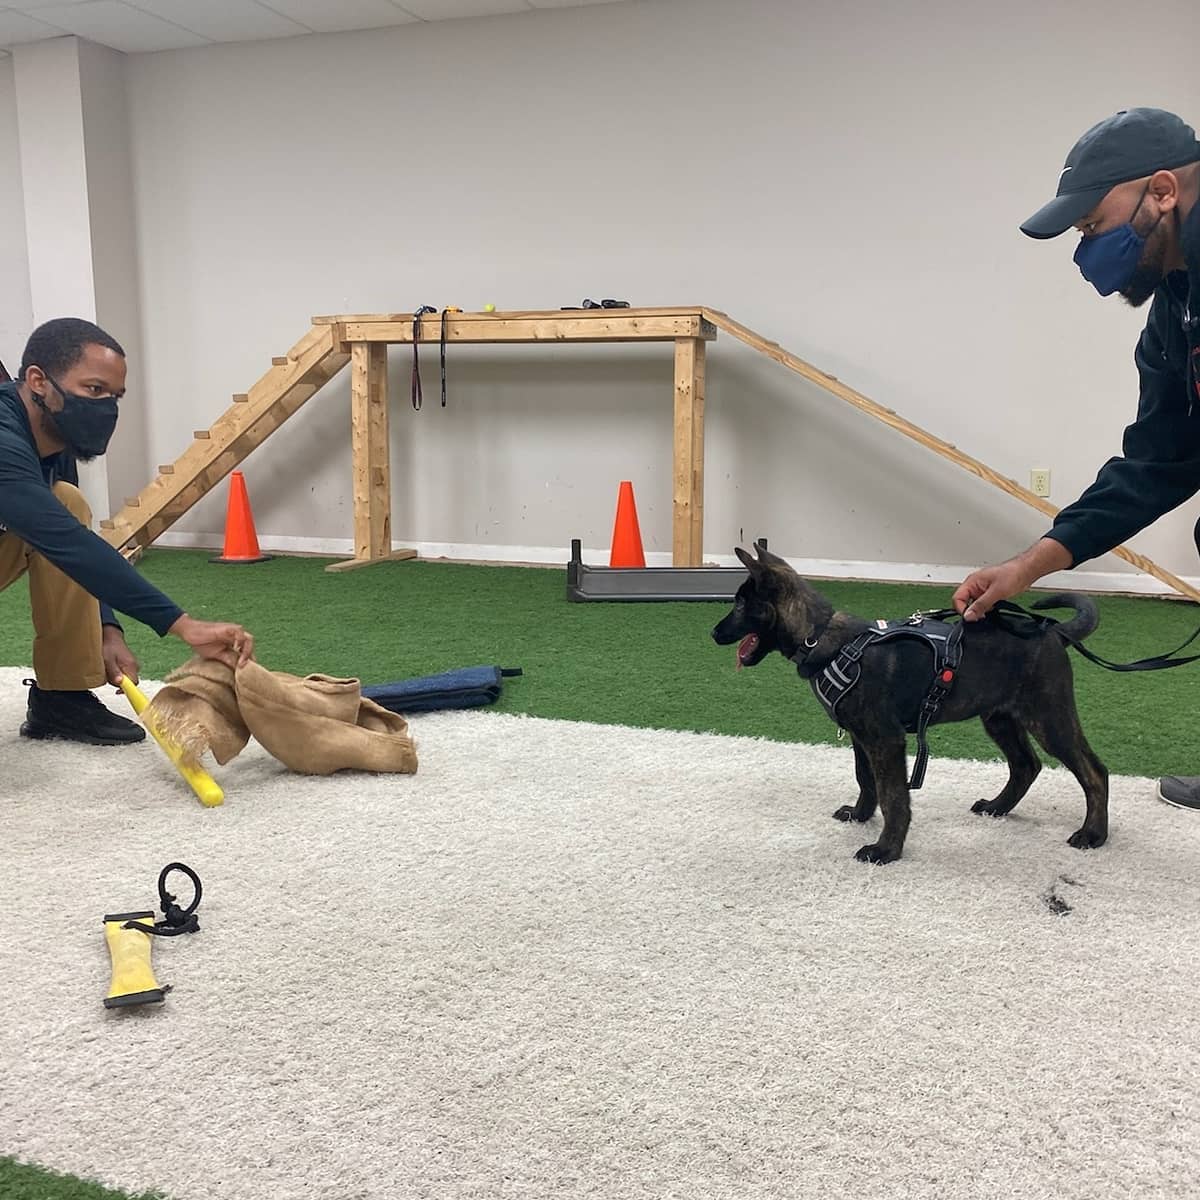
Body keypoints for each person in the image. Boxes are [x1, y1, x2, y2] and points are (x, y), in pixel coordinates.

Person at [952, 107, 1200, 810]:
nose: (1087, 249)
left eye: (1091, 225)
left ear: (1161, 191)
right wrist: (1028, 566)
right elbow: (1156, 462)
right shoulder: (1176, 309)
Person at [0, 317, 255, 745]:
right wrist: (183, 625)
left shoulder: (53, 436)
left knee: (66, 501)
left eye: (114, 396)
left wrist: (107, 629)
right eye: (93, 389)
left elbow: (67, 541)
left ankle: (62, 698)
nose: (106, 409)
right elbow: (66, 541)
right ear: (38, 381)